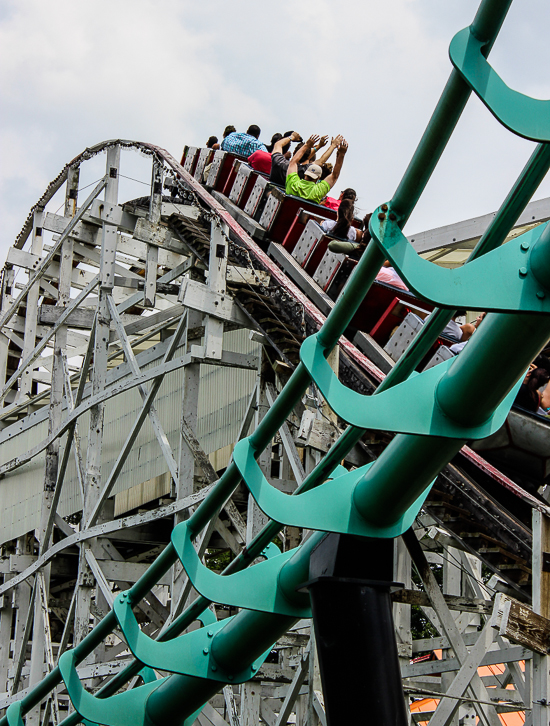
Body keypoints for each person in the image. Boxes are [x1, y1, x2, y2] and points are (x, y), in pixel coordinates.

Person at [286, 135, 348, 204]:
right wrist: (341, 154)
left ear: (305, 173)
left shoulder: (293, 183)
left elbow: (293, 162)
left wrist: (307, 145)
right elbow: (334, 176)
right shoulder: (318, 191)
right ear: (318, 178)